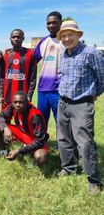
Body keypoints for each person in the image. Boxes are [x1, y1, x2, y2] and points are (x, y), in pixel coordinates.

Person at [56, 19, 104, 195]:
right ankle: (69, 168)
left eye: (71, 35)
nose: (67, 38)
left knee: (85, 143)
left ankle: (94, 180)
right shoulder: (65, 54)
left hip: (82, 104)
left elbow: (102, 77)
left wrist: (94, 94)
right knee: (63, 139)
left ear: (78, 35)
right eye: (64, 36)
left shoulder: (91, 53)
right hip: (63, 102)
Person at [0, 91, 48, 165]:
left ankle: (31, 156)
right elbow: (0, 116)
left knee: (41, 157)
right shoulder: (13, 106)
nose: (17, 105)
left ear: (27, 102)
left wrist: (18, 151)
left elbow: (40, 140)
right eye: (15, 102)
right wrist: (5, 128)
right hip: (22, 133)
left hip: (34, 139)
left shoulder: (35, 116)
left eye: (20, 102)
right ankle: (4, 152)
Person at [34, 11, 63, 131]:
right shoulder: (43, 41)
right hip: (43, 89)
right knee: (41, 119)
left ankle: (61, 147)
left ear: (60, 23)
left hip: (60, 89)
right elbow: (31, 59)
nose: (51, 25)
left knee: (60, 120)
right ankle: (41, 144)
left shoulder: (66, 41)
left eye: (54, 23)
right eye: (48, 23)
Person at [0, 29, 37, 110]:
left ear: (23, 38)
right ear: (10, 39)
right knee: (4, 120)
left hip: (23, 97)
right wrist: (1, 95)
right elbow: (1, 77)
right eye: (13, 37)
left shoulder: (30, 54)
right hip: (7, 97)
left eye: (19, 37)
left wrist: (29, 96)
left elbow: (32, 79)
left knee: (23, 121)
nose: (16, 39)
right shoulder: (5, 55)